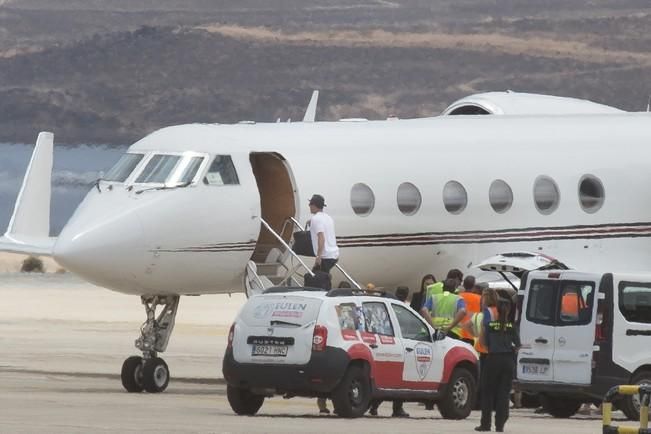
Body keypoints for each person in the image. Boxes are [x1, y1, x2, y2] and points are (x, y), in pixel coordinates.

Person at [476, 297, 521, 432]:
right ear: (508, 311)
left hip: (492, 360)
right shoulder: (512, 327)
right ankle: (500, 425)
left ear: (496, 309)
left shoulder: (489, 326)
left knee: (488, 393)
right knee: (504, 393)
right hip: (507, 361)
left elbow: (483, 342)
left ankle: (485, 424)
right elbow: (518, 346)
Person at [368, 286, 410, 418]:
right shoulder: (401, 309)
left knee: (385, 380)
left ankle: (374, 406)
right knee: (399, 382)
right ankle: (397, 409)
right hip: (400, 346)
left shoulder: (384, 306)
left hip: (384, 346)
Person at [307, 194, 339, 290]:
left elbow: (321, 238)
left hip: (325, 256)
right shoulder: (328, 218)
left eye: (310, 204)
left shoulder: (316, 219)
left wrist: (318, 256)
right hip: (334, 254)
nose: (309, 206)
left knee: (315, 281)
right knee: (321, 278)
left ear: (314, 205)